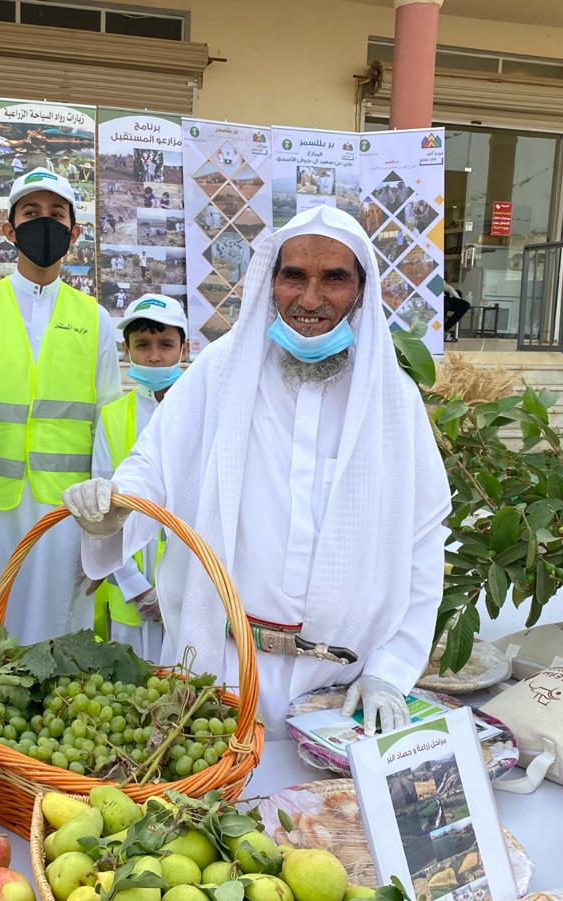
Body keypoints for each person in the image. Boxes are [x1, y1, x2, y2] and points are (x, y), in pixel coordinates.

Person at [63, 206, 451, 737]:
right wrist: (113, 514)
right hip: (216, 670)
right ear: (272, 282)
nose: (310, 299)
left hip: (340, 691)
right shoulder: (221, 372)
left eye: (334, 278)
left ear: (361, 290)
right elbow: (152, 466)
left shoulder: (393, 400)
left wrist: (392, 669)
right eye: (294, 276)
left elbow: (423, 540)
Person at [0, 168, 121, 647]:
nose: (44, 223)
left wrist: (101, 535)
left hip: (64, 510)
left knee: (54, 634)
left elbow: (107, 426)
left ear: (74, 233)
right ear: (7, 229)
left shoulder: (94, 319)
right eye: (31, 213)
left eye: (56, 214)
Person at [92, 294, 189, 663]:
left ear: (185, 347)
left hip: (189, 594)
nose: (154, 356)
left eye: (165, 345)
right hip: (131, 600)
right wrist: (135, 587)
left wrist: (178, 590)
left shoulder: (203, 412)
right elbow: (102, 512)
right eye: (142, 345)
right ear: (126, 349)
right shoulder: (113, 417)